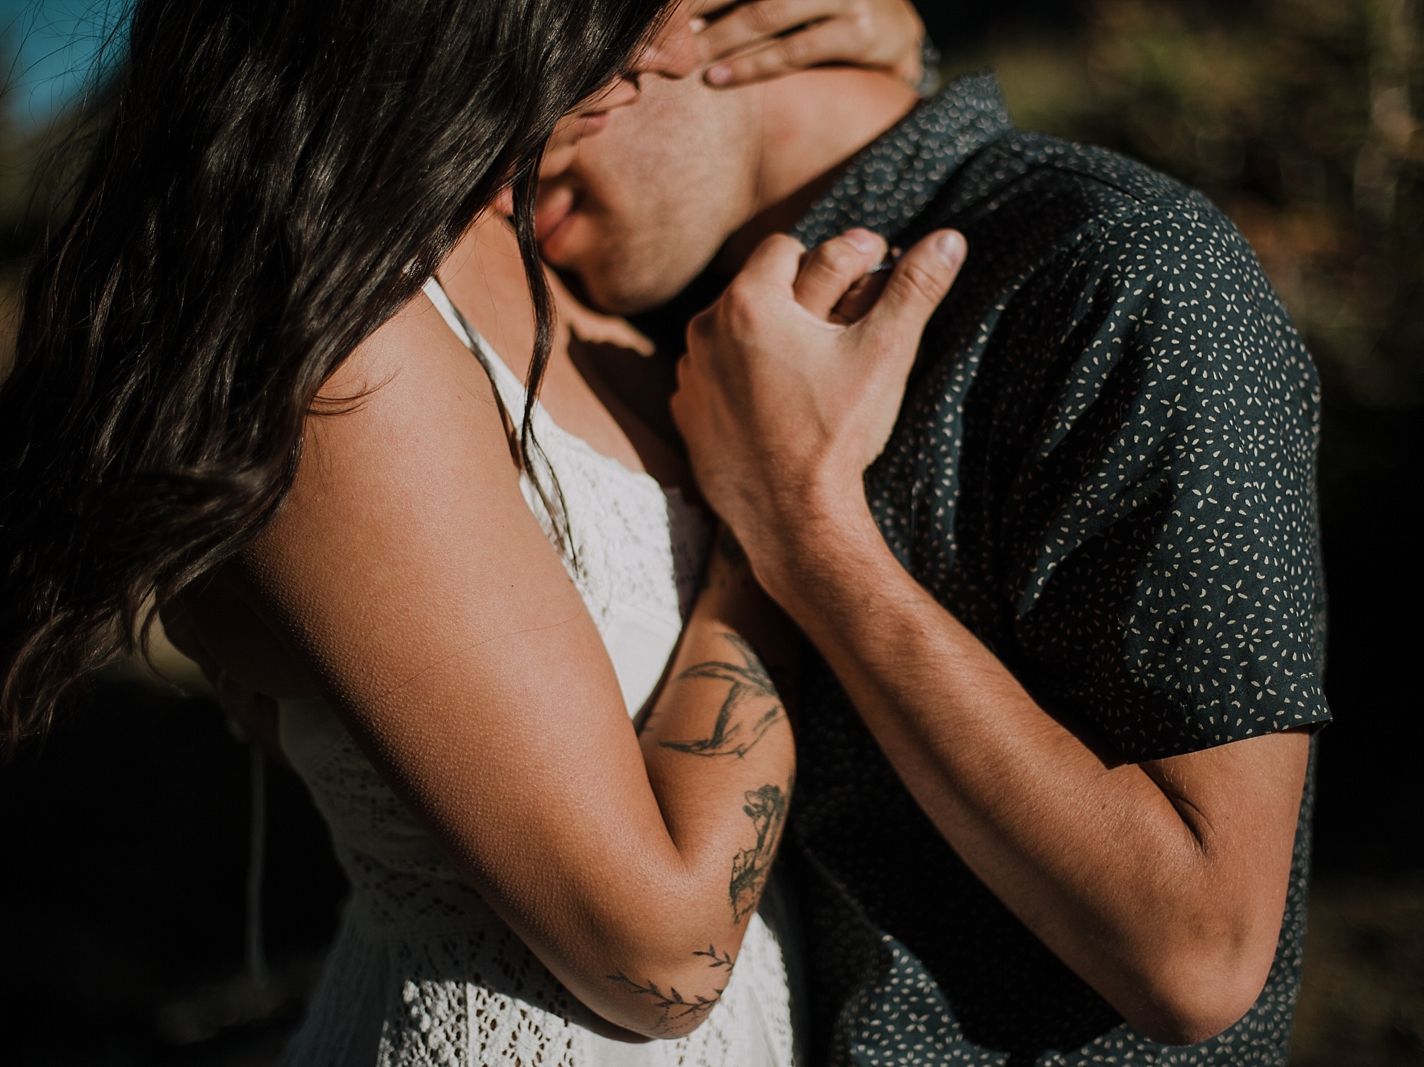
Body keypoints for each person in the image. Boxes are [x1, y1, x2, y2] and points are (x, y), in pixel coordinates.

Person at [0, 0, 952, 1064]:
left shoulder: (556, 262)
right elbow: (664, 957)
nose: (672, 45)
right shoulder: (345, 364)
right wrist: (774, 509)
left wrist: (887, 76)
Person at [538, 41, 1331, 1067]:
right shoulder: (670, 321)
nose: (485, 163)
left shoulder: (1122, 269)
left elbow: (1197, 952)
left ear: (669, 29)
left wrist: (803, 526)